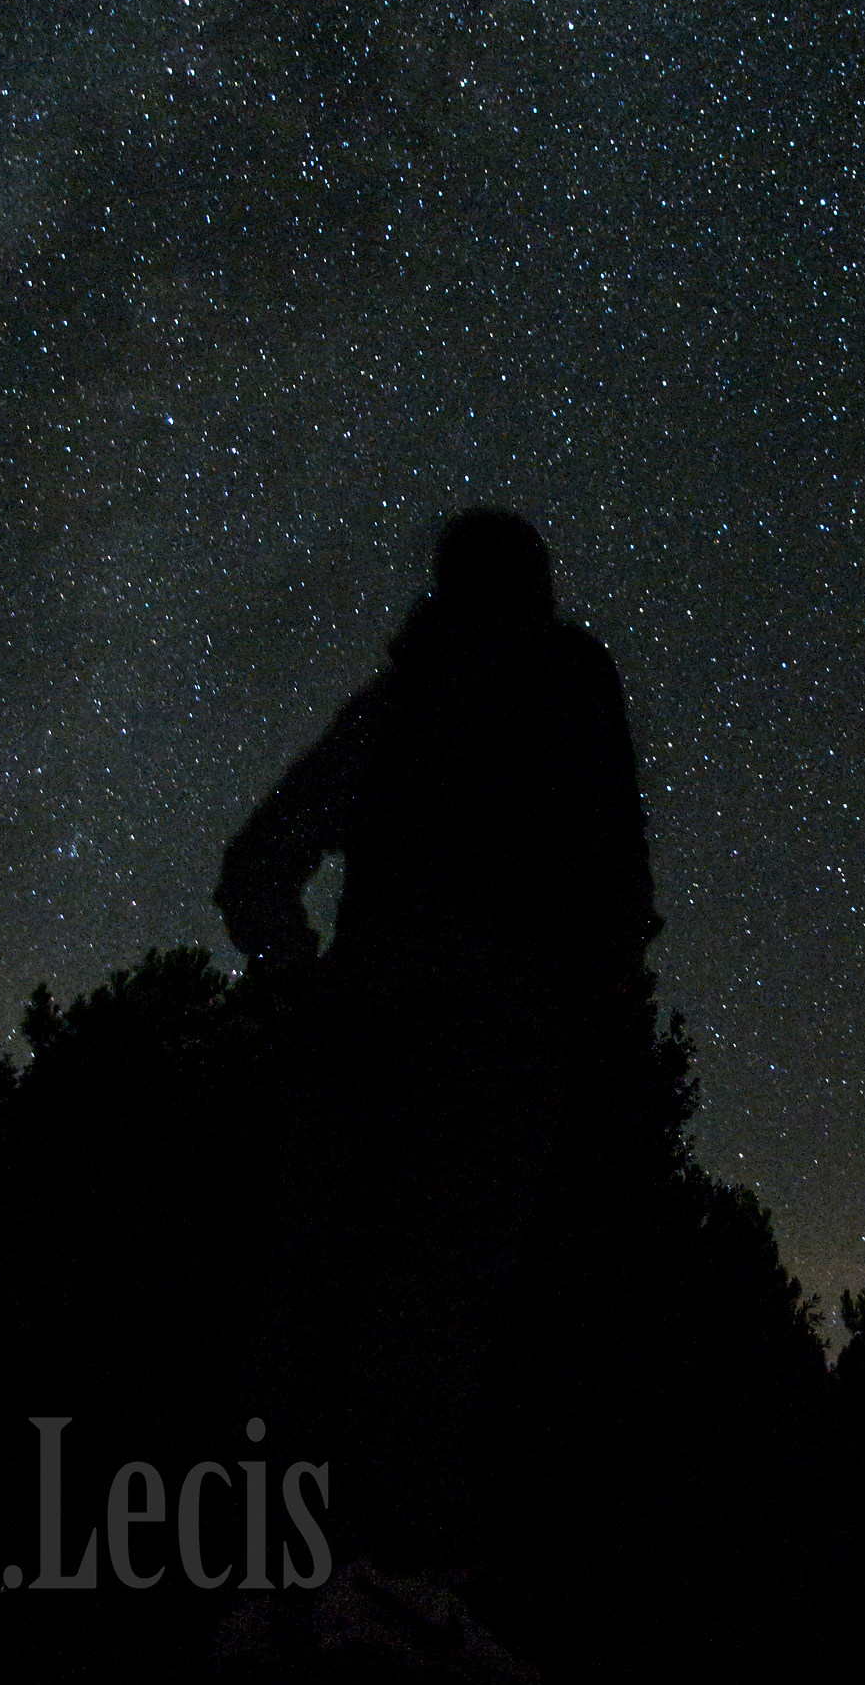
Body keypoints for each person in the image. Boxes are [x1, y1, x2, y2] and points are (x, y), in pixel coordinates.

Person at [213, 510, 658, 1600]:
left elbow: (260, 862)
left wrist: (298, 977)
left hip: (359, 1007)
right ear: (536, 587)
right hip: (497, 1016)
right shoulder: (565, 681)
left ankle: (273, 1577)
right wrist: (596, 1021)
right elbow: (615, 879)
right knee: (438, 1286)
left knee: (313, 1289)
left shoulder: (390, 710)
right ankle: (390, 1572)